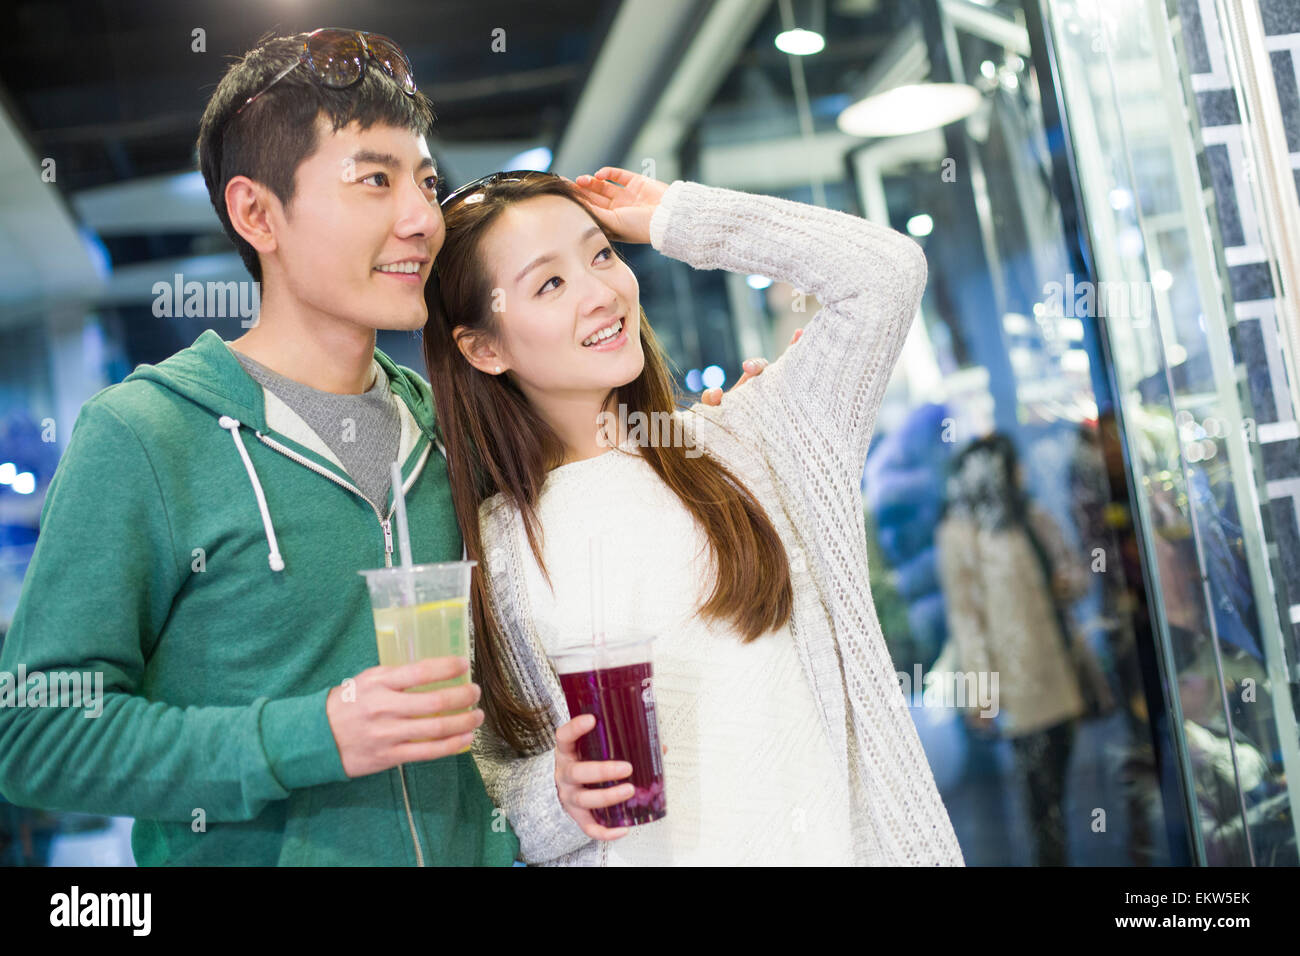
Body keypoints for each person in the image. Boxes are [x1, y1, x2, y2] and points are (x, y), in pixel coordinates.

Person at [0, 30, 773, 867]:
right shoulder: (147, 436)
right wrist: (312, 735)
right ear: (256, 213)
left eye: (426, 181)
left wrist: (708, 441)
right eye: (374, 179)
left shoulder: (448, 434)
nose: (421, 219)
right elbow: (32, 733)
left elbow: (591, 486)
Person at [422, 166, 966, 865]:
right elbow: (490, 788)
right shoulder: (487, 550)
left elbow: (885, 275)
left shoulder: (756, 440)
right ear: (482, 347)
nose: (600, 293)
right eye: (549, 283)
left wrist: (672, 216)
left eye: (602, 254)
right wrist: (557, 799)